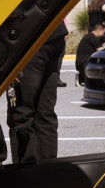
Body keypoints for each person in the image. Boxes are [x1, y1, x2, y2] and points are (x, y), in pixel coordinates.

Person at [7, 21, 67, 164]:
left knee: (22, 115)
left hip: (28, 36)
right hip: (53, 33)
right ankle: (48, 173)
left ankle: (26, 177)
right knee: (45, 114)